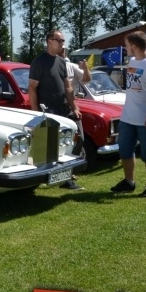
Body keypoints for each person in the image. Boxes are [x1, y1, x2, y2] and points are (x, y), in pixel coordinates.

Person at [110, 31, 146, 197]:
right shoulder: (133, 61)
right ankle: (129, 182)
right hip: (128, 117)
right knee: (125, 150)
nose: (125, 48)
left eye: (127, 45)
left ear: (134, 46)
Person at [28, 30, 84, 190]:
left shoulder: (61, 61)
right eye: (59, 40)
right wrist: (35, 113)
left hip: (64, 109)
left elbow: (68, 86)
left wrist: (74, 106)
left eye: (63, 41)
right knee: (49, 149)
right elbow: (32, 88)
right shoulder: (39, 62)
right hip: (48, 111)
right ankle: (48, 179)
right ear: (49, 41)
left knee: (74, 142)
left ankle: (66, 178)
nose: (62, 44)